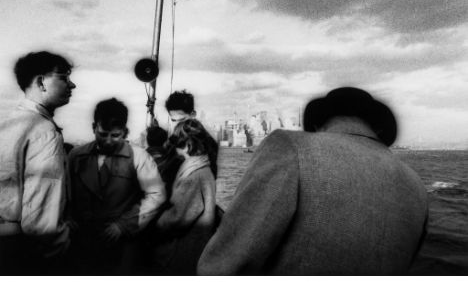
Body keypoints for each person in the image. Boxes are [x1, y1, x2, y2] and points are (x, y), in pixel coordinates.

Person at [198, 87, 428, 275]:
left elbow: (226, 263)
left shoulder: (290, 146)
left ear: (318, 123)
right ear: (375, 125)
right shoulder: (416, 185)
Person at [67, 97, 166, 275]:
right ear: (93, 128)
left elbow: (156, 195)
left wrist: (123, 225)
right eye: (102, 134)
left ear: (125, 132)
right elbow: (65, 194)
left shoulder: (139, 157)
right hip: (83, 241)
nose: (108, 141)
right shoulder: (75, 156)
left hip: (122, 244)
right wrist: (67, 217)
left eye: (115, 135)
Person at [0, 51, 76, 275]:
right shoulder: (44, 131)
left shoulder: (7, 123)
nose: (72, 85)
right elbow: (42, 221)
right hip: (31, 256)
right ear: (41, 82)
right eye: (63, 77)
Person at [147, 119, 217, 275]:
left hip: (184, 252)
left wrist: (154, 225)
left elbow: (177, 217)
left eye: (177, 144)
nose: (174, 150)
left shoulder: (194, 176)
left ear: (188, 145)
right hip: (195, 247)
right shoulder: (203, 169)